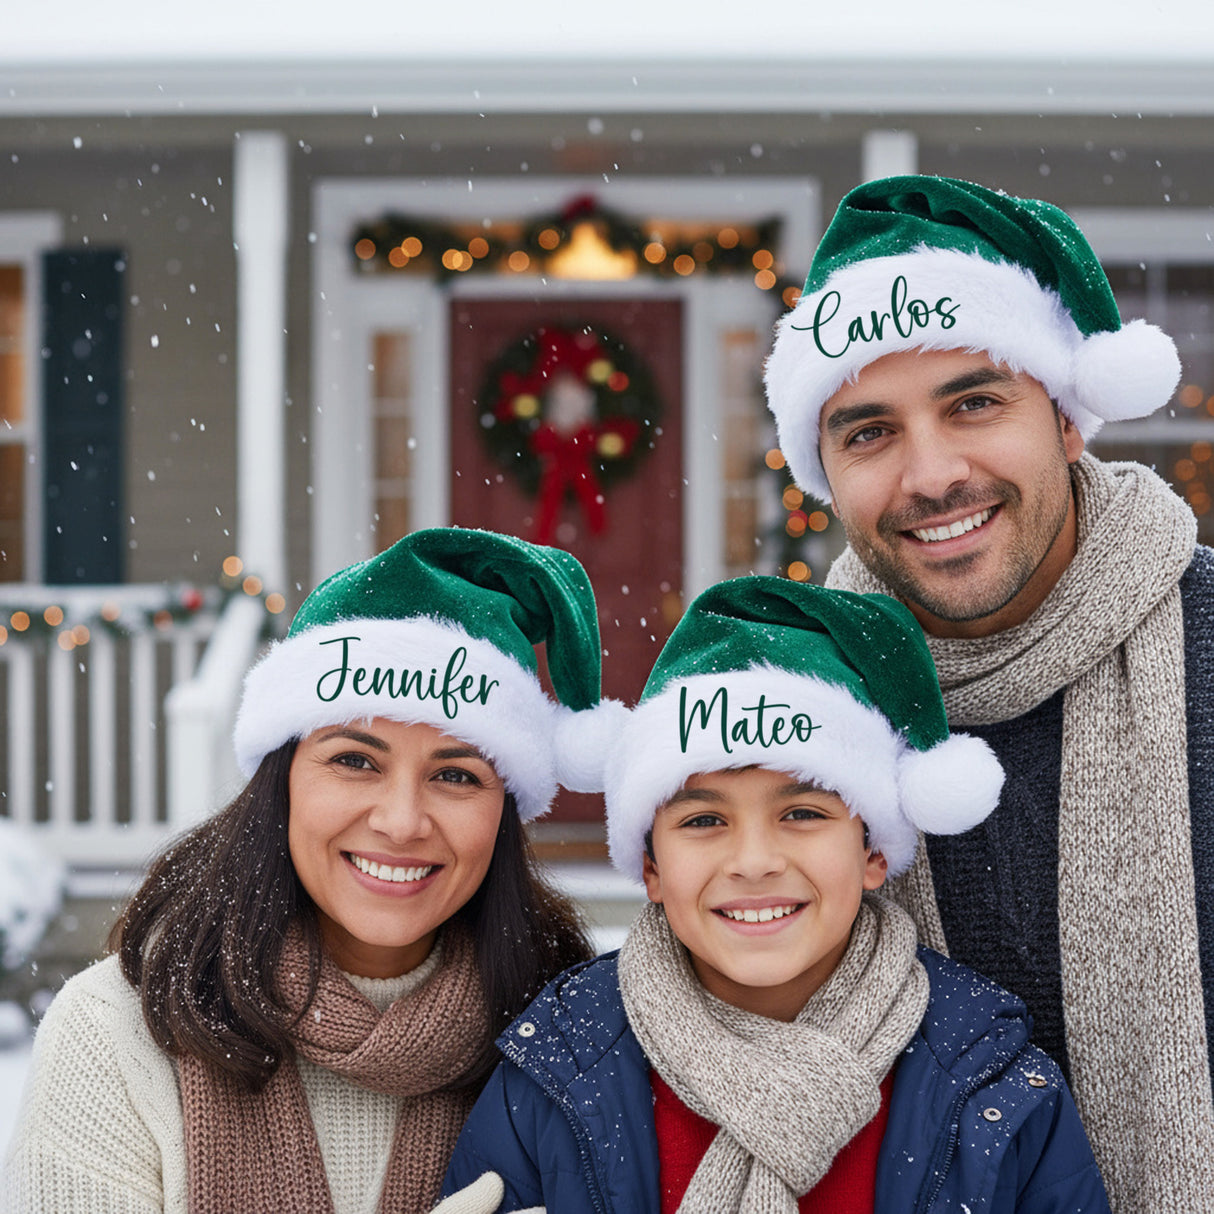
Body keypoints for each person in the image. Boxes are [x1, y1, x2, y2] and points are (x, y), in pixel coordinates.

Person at [763, 173, 1214, 1211]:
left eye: (973, 401)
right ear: (823, 469)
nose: (930, 475)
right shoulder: (783, 705)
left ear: (1064, 417)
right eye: (868, 430)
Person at [440, 576, 1109, 1212]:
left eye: (803, 814)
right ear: (650, 869)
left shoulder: (992, 1084)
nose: (754, 862)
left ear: (873, 851)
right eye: (703, 820)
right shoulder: (556, 1070)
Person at [2, 527, 616, 1214]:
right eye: (355, 760)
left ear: (505, 812)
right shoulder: (115, 1032)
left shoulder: (573, 1048)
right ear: (283, 779)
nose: (402, 820)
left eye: (455, 773)